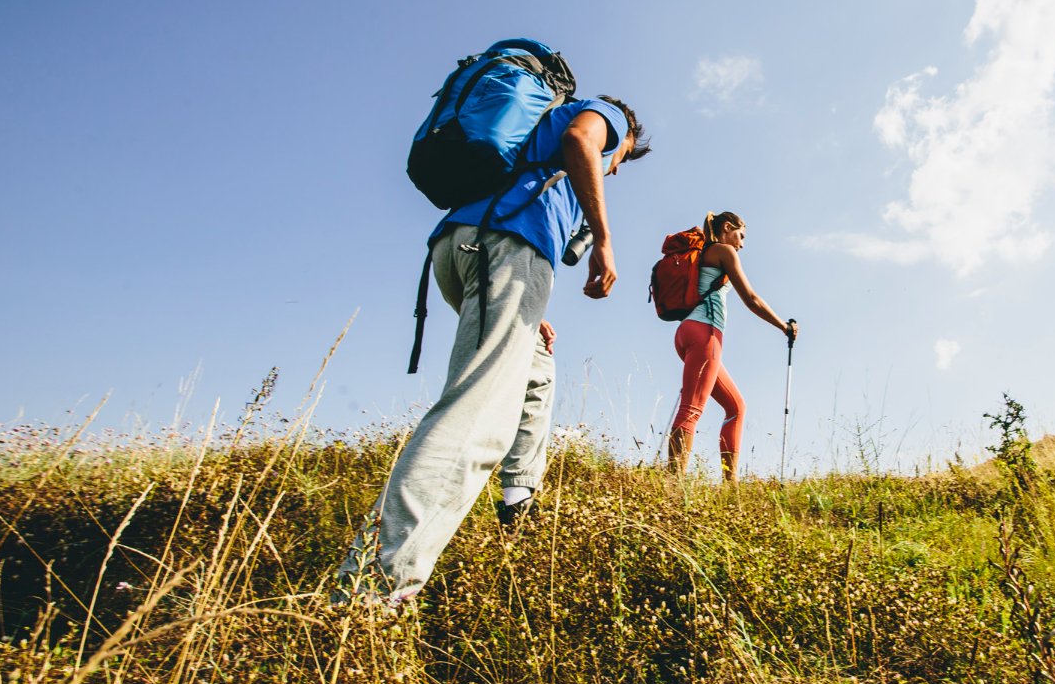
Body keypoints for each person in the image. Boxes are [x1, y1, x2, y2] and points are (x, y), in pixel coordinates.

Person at [335, 95, 649, 605]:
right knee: (478, 415)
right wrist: (606, 240)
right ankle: (369, 595)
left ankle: (518, 497)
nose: (613, 168)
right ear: (626, 138)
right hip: (507, 245)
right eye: (620, 160)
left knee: (536, 368)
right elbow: (580, 142)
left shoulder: (536, 126)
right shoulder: (603, 117)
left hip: (464, 248)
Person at [667, 211, 797, 482]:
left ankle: (730, 485)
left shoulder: (702, 252)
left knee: (736, 407)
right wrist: (783, 326)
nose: (742, 244)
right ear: (728, 228)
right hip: (705, 333)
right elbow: (751, 299)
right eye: (741, 235)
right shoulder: (723, 251)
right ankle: (672, 484)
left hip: (686, 332)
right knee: (692, 408)